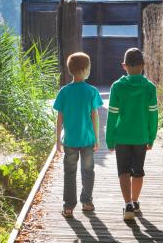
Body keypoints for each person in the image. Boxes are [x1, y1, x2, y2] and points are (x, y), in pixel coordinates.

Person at [105, 47, 158, 220]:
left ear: (124, 66)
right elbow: (153, 115)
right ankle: (135, 201)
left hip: (121, 137)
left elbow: (112, 115)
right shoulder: (150, 88)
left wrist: (110, 139)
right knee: (138, 171)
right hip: (141, 136)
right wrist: (151, 137)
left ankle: (127, 204)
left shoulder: (117, 87)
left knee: (123, 171)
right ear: (143, 65)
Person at [53, 52, 103, 218]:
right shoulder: (91, 91)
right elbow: (95, 116)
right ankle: (87, 202)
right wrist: (97, 138)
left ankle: (68, 207)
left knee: (70, 173)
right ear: (85, 69)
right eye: (89, 67)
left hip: (69, 141)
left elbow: (59, 118)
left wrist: (57, 141)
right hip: (88, 140)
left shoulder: (64, 91)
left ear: (70, 70)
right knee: (88, 171)